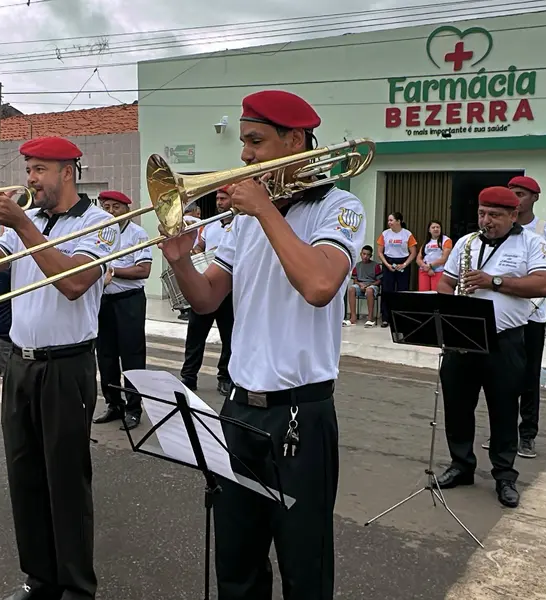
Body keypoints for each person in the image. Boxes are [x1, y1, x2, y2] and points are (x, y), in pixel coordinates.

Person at [160, 90, 365, 600]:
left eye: (255, 141)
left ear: (294, 141)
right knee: (237, 565)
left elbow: (320, 285)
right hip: (238, 410)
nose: (244, 154)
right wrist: (180, 260)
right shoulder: (243, 220)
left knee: (304, 567)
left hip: (300, 415)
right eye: (244, 142)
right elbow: (207, 298)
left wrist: (264, 210)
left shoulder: (339, 207)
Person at [0, 136, 120, 600]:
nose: (30, 179)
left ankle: (76, 586)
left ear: (67, 172)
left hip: (67, 366)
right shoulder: (25, 222)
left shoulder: (98, 223)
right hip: (20, 363)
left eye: (39, 170)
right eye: (28, 169)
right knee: (24, 476)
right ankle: (40, 578)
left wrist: (22, 224)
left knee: (66, 482)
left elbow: (74, 281)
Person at [435, 186, 546, 509]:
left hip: (505, 340)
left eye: (494, 215)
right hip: (463, 338)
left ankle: (504, 475)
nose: (485, 221)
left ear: (513, 215)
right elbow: (445, 282)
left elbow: (544, 283)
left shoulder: (532, 243)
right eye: (481, 213)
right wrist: (453, 311)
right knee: (457, 406)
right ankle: (461, 465)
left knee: (503, 409)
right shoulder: (466, 243)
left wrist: (494, 281)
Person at [502, 175, 546, 459]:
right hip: (503, 314)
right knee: (502, 377)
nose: (515, 199)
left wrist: (542, 264)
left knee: (529, 377)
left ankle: (527, 434)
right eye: (512, 193)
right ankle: (502, 432)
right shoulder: (501, 228)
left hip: (532, 315)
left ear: (534, 198)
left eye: (521, 194)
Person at [92, 190, 152, 431]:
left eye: (115, 207)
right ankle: (113, 404)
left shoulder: (138, 234)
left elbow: (143, 269)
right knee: (105, 355)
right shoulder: (99, 233)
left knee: (132, 355)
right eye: (106, 207)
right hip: (104, 301)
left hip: (129, 301)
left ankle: (134, 408)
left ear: (127, 209)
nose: (110, 212)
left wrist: (113, 272)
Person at [180, 186, 235, 396]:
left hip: (228, 289)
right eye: (218, 198)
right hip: (206, 282)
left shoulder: (241, 223)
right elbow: (200, 246)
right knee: (195, 335)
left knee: (229, 336)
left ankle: (225, 377)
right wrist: (197, 251)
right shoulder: (210, 224)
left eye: (224, 198)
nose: (219, 202)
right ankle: (188, 376)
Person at [376, 212, 417, 326]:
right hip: (388, 262)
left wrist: (405, 264)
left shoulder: (407, 234)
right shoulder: (385, 234)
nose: (389, 222)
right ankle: (385, 317)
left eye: (391, 220)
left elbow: (413, 252)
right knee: (387, 291)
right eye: (388, 220)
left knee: (402, 291)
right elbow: (380, 252)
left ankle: (401, 318)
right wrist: (387, 264)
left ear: (398, 221)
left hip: (403, 263)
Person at [345, 245, 382, 327]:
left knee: (369, 290)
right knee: (351, 289)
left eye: (368, 255)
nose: (365, 256)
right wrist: (360, 284)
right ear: (361, 254)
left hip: (372, 285)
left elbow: (379, 280)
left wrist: (369, 285)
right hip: (360, 285)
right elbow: (355, 280)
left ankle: (370, 318)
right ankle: (353, 317)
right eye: (364, 254)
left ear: (371, 256)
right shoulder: (357, 265)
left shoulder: (375, 265)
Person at [416, 219, 452, 292]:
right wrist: (426, 267)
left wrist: (430, 266)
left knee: (436, 292)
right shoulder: (426, 242)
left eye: (438, 227)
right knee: (423, 293)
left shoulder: (446, 240)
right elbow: (418, 259)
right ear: (429, 230)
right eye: (433, 227)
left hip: (438, 271)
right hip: (424, 270)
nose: (436, 229)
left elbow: (444, 258)